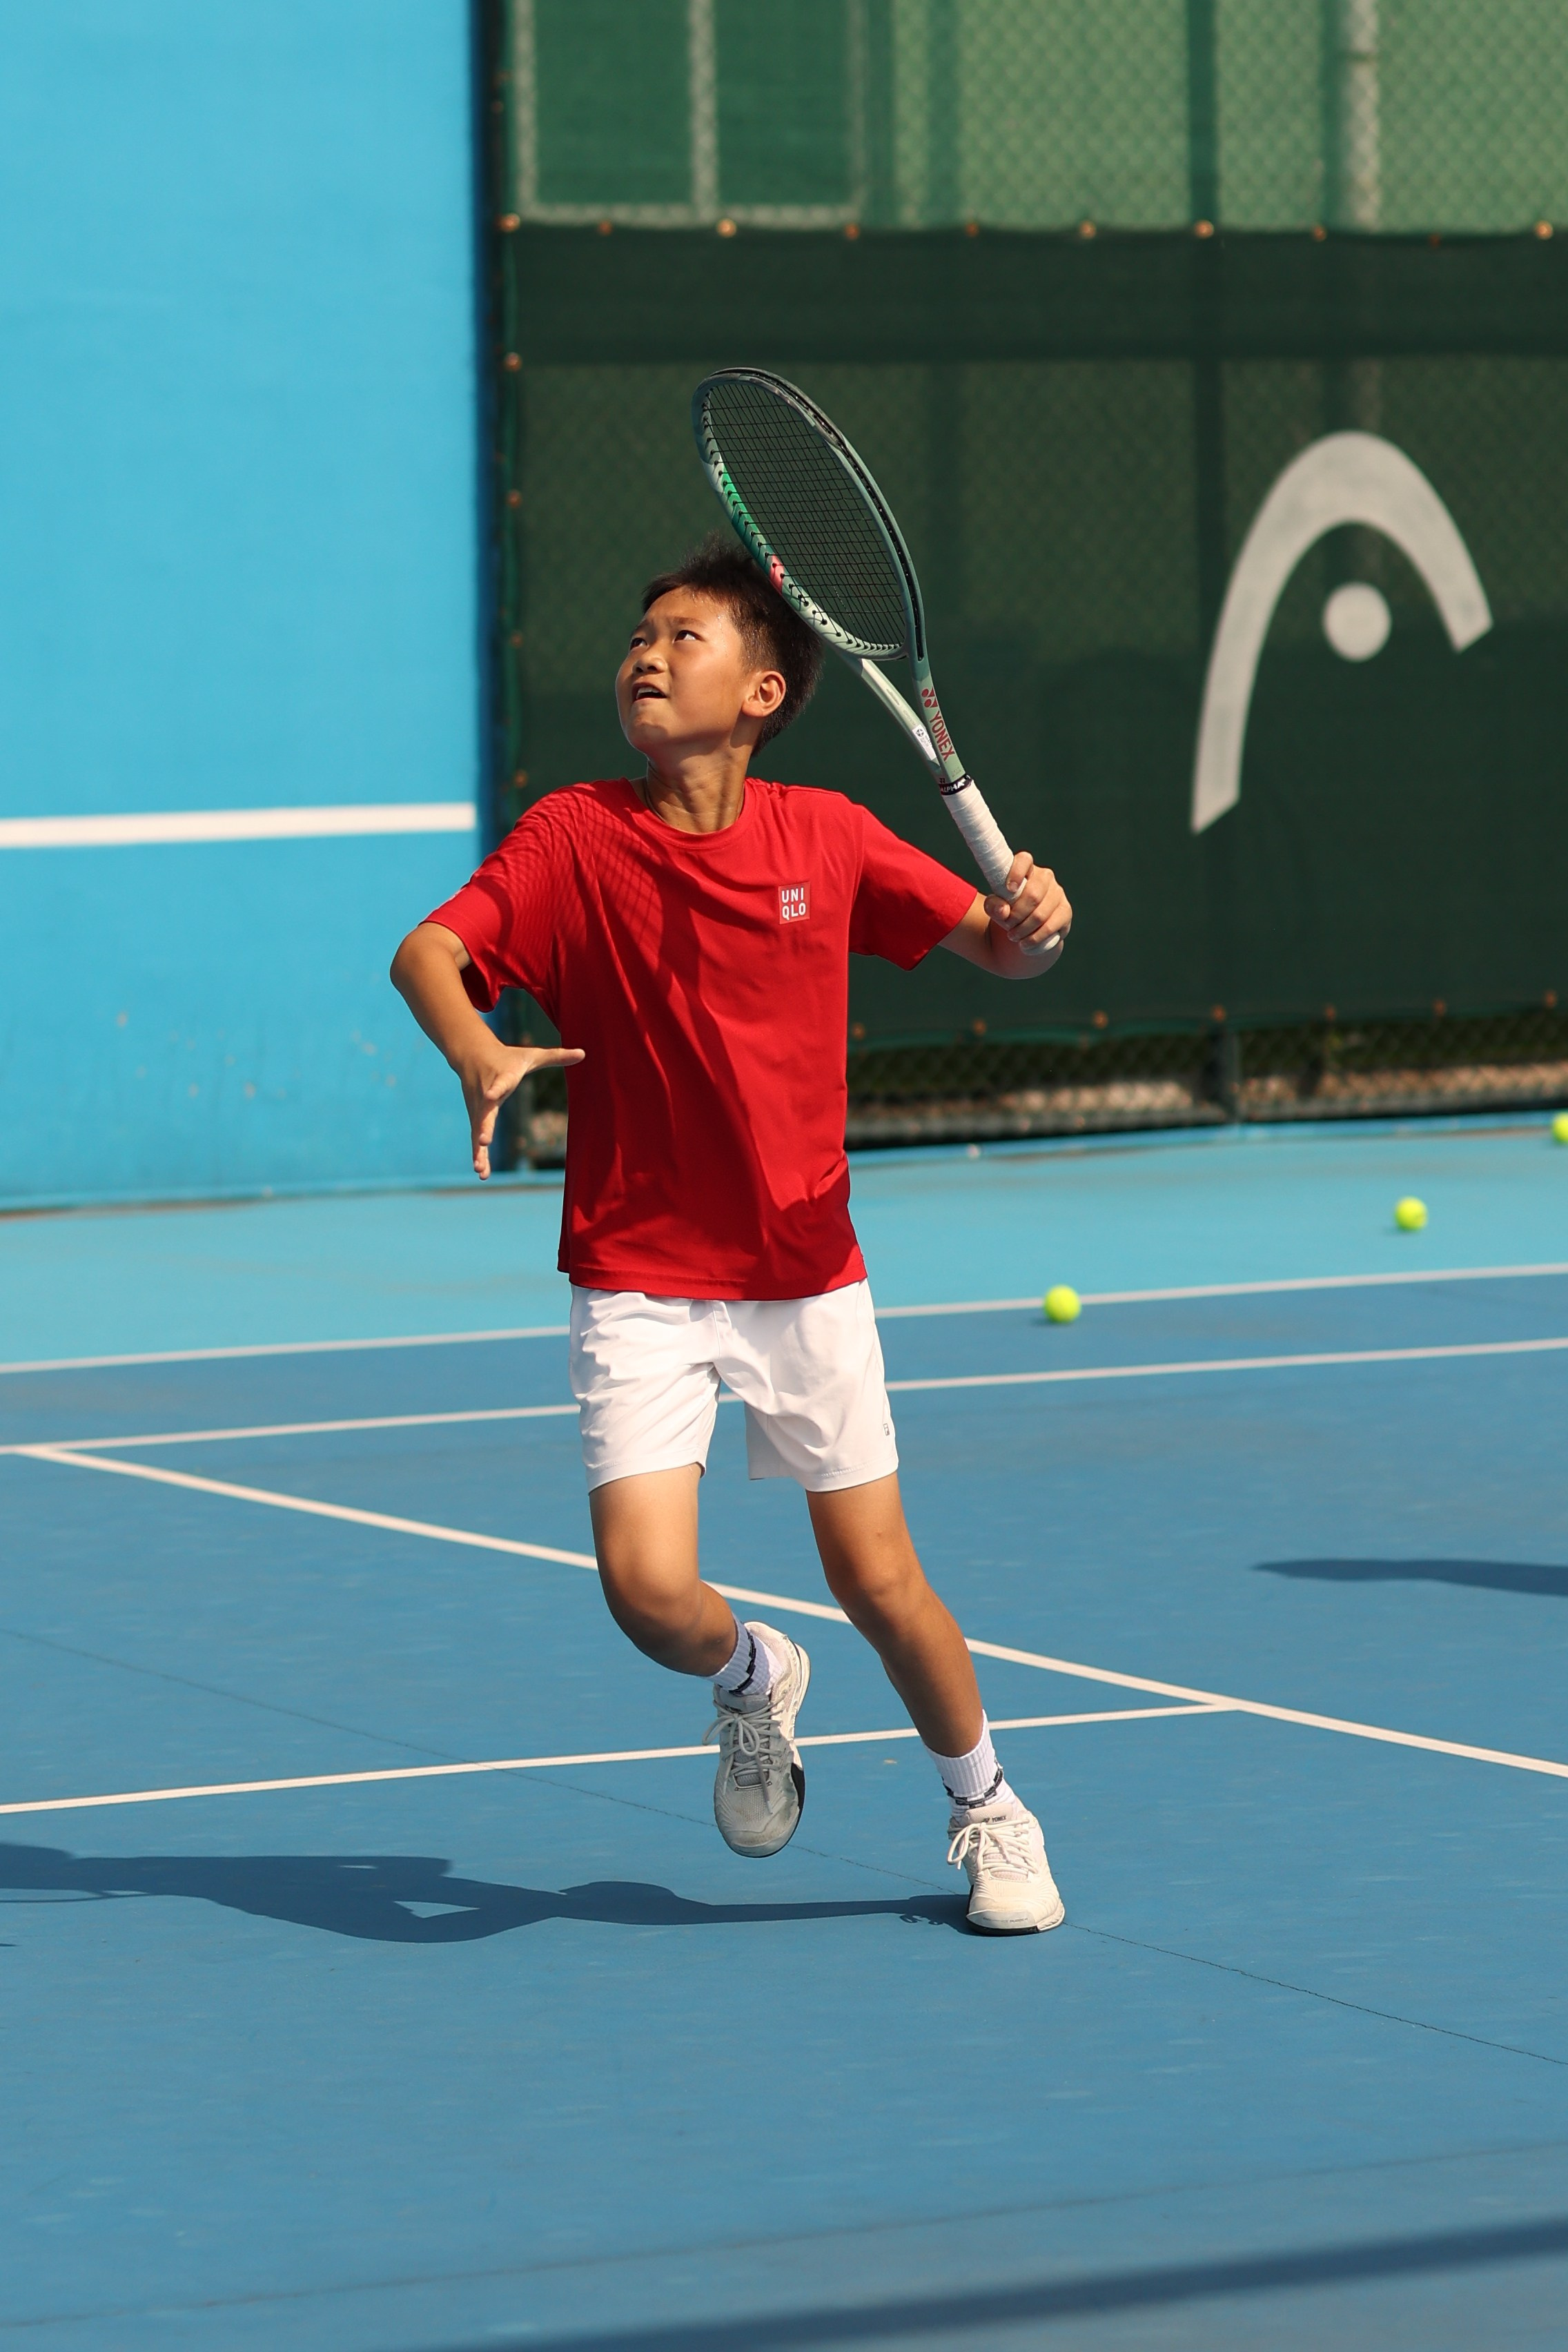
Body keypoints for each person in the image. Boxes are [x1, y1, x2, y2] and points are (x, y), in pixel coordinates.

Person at [391, 535, 1073, 1932]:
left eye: (684, 636)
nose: (646, 653)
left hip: (804, 1273)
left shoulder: (826, 835)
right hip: (639, 1271)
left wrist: (1033, 916)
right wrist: (474, 1044)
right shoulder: (573, 835)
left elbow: (999, 948)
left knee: (878, 1582)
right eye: (639, 636)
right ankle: (752, 1675)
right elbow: (429, 951)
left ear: (762, 691)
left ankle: (987, 1808)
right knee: (646, 1595)